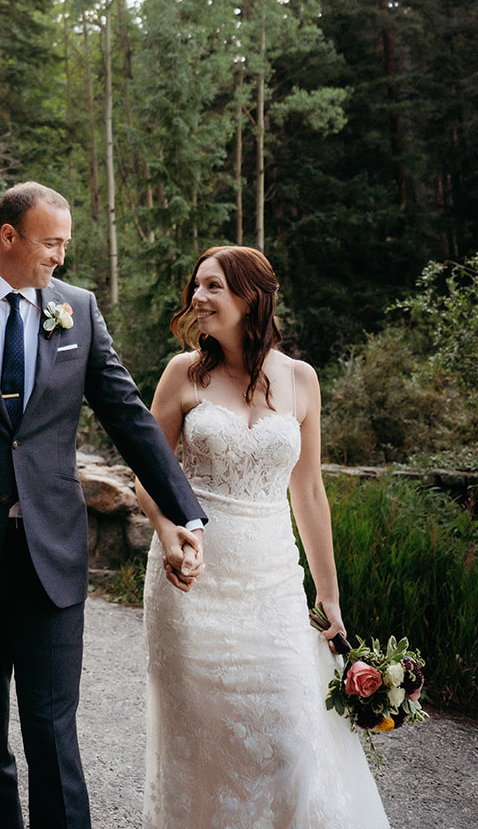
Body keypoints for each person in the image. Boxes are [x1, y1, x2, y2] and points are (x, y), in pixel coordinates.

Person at [0, 181, 208, 829]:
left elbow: (128, 417)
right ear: (8, 237)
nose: (60, 257)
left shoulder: (75, 306)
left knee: (52, 732)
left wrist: (184, 513)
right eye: (51, 243)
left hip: (49, 555)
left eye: (66, 244)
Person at [136, 244, 391, 829]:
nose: (197, 298)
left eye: (213, 287)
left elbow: (308, 492)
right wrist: (170, 532)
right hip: (192, 585)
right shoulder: (183, 373)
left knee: (288, 735)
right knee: (202, 746)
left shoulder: (302, 379)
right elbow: (149, 473)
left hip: (274, 583)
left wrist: (328, 596)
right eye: (196, 287)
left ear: (252, 297)